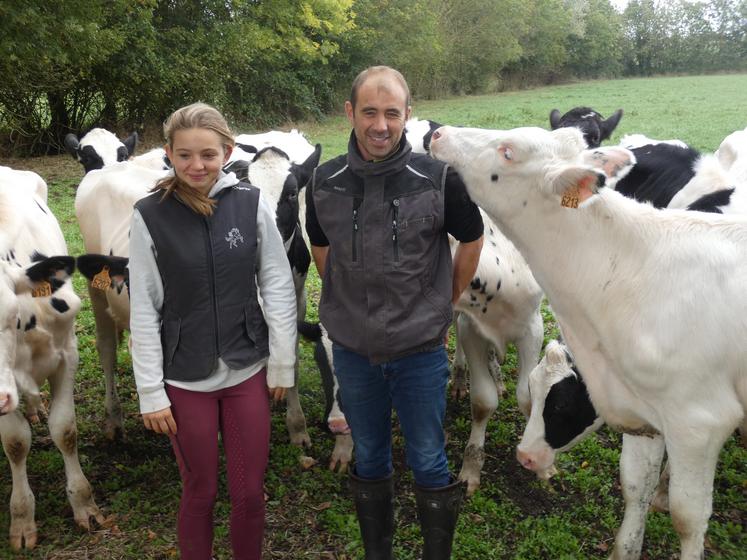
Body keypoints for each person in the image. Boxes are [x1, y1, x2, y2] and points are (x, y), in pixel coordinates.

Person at [305, 66, 484, 560]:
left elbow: (471, 239)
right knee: (369, 453)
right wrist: (346, 294)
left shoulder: (439, 177)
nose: (379, 125)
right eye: (369, 112)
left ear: (407, 114)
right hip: (354, 350)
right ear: (350, 113)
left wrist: (443, 300)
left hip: (420, 349)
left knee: (428, 456)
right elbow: (321, 247)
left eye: (391, 113)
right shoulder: (325, 181)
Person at [128, 102, 297, 560]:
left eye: (207, 154)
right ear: (168, 153)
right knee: (199, 492)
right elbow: (143, 306)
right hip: (186, 379)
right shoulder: (150, 215)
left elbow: (278, 283)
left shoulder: (250, 203)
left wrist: (282, 362)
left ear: (226, 150)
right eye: (184, 155)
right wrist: (151, 391)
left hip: (246, 370)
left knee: (248, 494)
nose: (196, 165)